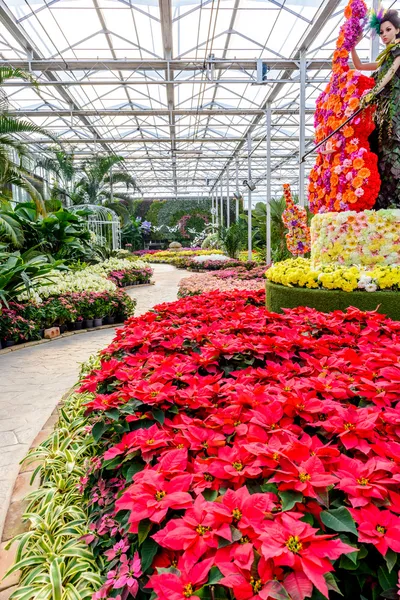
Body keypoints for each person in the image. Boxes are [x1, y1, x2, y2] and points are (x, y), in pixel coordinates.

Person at [351, 9, 400, 208]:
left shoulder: (397, 53)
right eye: (381, 32)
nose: (384, 34)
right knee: (380, 150)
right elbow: (359, 66)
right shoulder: (384, 57)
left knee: (392, 149)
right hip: (382, 112)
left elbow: (391, 72)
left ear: (398, 30)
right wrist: (352, 47)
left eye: (388, 30)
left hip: (395, 110)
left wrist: (374, 92)